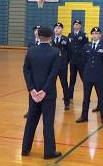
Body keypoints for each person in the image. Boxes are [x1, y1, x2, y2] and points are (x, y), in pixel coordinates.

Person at [22, 26, 62, 159]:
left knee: (31, 121)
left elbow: (26, 70)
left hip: (33, 94)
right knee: (48, 122)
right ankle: (49, 152)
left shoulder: (31, 51)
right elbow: (53, 74)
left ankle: (25, 149)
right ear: (51, 37)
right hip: (48, 94)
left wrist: (31, 89)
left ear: (38, 36)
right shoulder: (55, 52)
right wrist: (44, 91)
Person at [76, 27, 103, 126]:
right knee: (86, 98)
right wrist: (84, 73)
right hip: (88, 76)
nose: (94, 35)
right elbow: (83, 62)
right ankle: (84, 116)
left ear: (100, 35)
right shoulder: (86, 46)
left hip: (99, 77)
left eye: (97, 33)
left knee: (101, 98)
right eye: (93, 33)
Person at [51, 22, 71, 110]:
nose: (57, 29)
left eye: (59, 28)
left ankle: (67, 102)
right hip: (52, 66)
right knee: (51, 84)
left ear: (62, 30)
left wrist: (66, 62)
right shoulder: (50, 39)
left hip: (62, 66)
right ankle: (51, 101)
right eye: (55, 28)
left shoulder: (66, 39)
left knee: (64, 84)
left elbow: (70, 53)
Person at [68, 20, 89, 100]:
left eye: (78, 24)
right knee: (72, 78)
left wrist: (85, 59)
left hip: (81, 61)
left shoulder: (84, 35)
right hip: (73, 60)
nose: (76, 26)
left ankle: (86, 96)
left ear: (80, 26)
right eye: (75, 24)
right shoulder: (70, 34)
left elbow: (87, 46)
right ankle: (70, 96)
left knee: (84, 79)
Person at [24, 25, 41, 119]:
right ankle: (30, 111)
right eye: (35, 30)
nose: (36, 32)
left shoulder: (45, 42)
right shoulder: (31, 43)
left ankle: (41, 111)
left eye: (38, 30)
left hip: (42, 70)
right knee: (31, 91)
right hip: (33, 70)